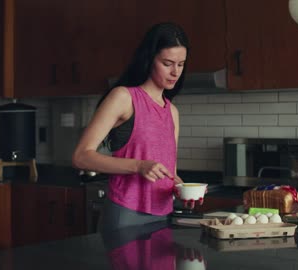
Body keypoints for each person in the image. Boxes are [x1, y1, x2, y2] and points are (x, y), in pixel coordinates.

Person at [72, 22, 201, 232]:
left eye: (181, 64)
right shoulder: (124, 98)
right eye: (167, 63)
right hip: (126, 213)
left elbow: (169, 172)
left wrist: (181, 189)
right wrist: (139, 166)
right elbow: (80, 157)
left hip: (163, 215)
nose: (175, 72)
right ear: (150, 59)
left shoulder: (172, 112)